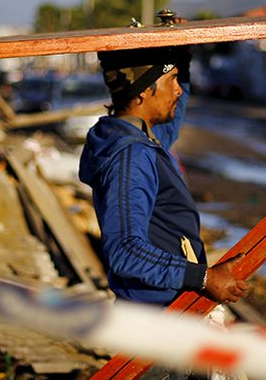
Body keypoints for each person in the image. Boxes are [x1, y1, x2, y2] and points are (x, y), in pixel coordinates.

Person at [79, 45, 248, 307]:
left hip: (167, 307)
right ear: (145, 90)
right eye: (172, 81)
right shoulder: (131, 155)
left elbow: (172, 119)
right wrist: (202, 277)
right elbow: (125, 249)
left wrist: (180, 56)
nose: (178, 89)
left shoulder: (142, 140)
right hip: (155, 315)